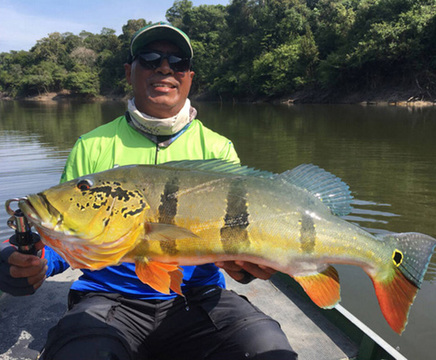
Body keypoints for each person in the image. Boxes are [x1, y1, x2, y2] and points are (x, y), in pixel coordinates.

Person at [0, 22, 298, 360]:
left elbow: (235, 240)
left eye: (178, 61)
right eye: (150, 58)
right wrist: (29, 261)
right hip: (108, 298)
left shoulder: (218, 148)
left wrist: (247, 267)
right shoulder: (91, 145)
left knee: (265, 347)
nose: (165, 67)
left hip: (198, 297)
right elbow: (64, 236)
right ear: (129, 72)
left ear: (189, 76)